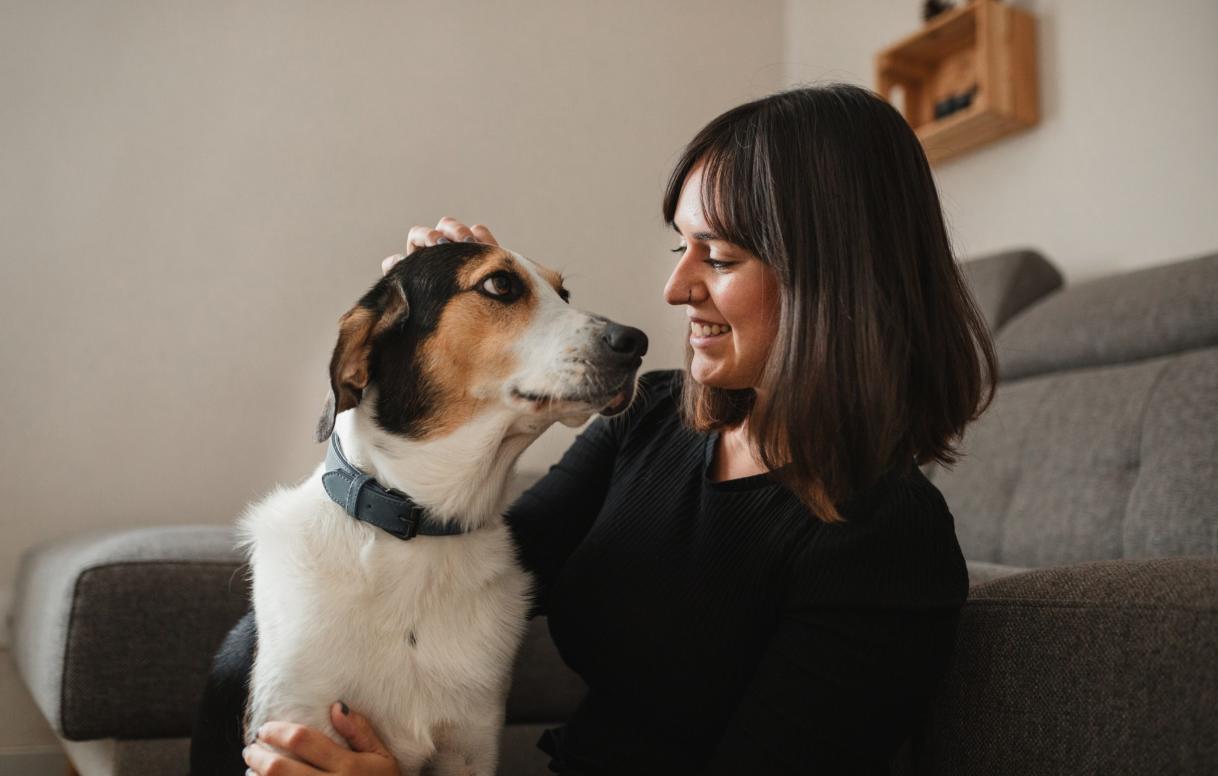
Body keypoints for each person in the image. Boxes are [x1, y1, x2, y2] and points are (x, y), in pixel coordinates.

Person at [241, 82, 997, 776]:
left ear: (834, 278)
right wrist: (443, 318)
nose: (674, 288)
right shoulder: (654, 420)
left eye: (720, 256)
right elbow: (481, 563)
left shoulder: (886, 541)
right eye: (680, 247)